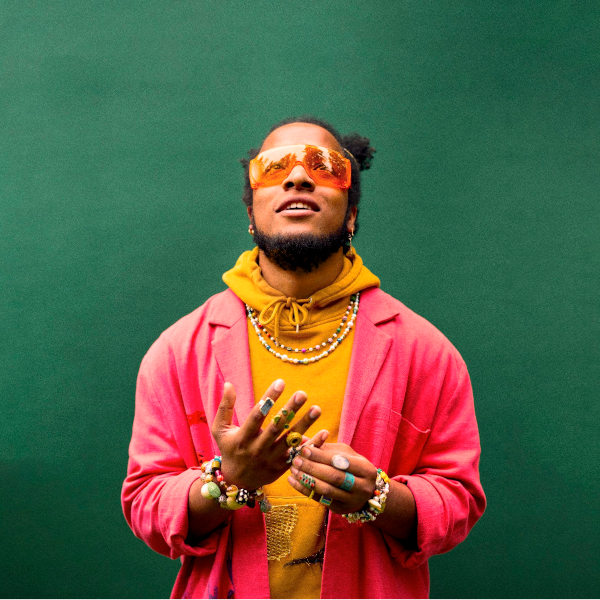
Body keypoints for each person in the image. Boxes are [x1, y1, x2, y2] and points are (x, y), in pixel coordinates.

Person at [121, 116, 486, 599]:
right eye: (274, 167)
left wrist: (377, 495)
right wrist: (228, 480)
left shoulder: (426, 353)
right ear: (251, 212)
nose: (298, 176)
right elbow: (145, 504)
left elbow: (458, 500)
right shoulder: (178, 351)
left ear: (351, 215)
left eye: (324, 167)